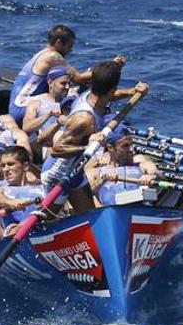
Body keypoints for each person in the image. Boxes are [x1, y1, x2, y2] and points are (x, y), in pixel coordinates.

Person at [42, 60, 149, 215]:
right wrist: (89, 146)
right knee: (47, 220)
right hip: (57, 174)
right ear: (112, 88)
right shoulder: (84, 119)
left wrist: (132, 92)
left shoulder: (91, 95)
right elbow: (58, 148)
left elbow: (110, 96)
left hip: (76, 171)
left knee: (89, 215)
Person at [9, 25, 126, 127]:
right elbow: (78, 78)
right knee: (75, 97)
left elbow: (71, 78)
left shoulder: (41, 53)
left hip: (14, 106)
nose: (71, 50)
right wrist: (113, 66)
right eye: (69, 46)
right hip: (22, 109)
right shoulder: (53, 56)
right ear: (59, 43)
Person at [86, 124, 160, 206]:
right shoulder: (96, 172)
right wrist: (102, 180)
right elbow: (83, 195)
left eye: (131, 145)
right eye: (125, 146)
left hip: (141, 212)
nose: (131, 149)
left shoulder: (143, 165)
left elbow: (157, 173)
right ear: (110, 148)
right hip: (111, 213)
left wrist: (152, 176)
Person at [0, 147, 46, 236]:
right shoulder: (0, 190)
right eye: (3, 165)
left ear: (25, 166)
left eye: (10, 164)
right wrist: (11, 202)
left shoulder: (41, 186)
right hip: (17, 234)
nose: (5, 169)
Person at [21, 66, 74, 161]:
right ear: (50, 83)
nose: (67, 87)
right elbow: (27, 128)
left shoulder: (72, 100)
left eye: (69, 83)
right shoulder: (37, 102)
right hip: (48, 147)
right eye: (63, 83)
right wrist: (47, 115)